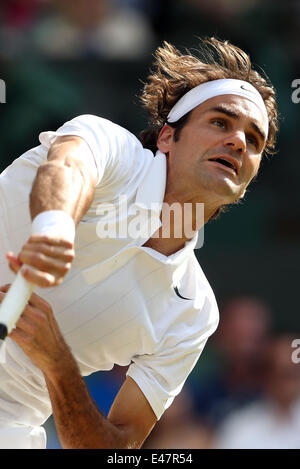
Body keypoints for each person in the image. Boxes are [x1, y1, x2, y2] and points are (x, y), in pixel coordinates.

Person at [0, 37, 278, 449]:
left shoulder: (195, 315)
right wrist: (56, 224)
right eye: (220, 122)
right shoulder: (110, 145)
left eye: (252, 140)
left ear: (246, 183)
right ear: (167, 137)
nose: (238, 141)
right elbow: (68, 166)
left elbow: (118, 449)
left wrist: (59, 366)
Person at [213, 335, 300, 449]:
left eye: (293, 373)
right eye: (281, 373)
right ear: (265, 376)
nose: (287, 383)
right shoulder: (239, 428)